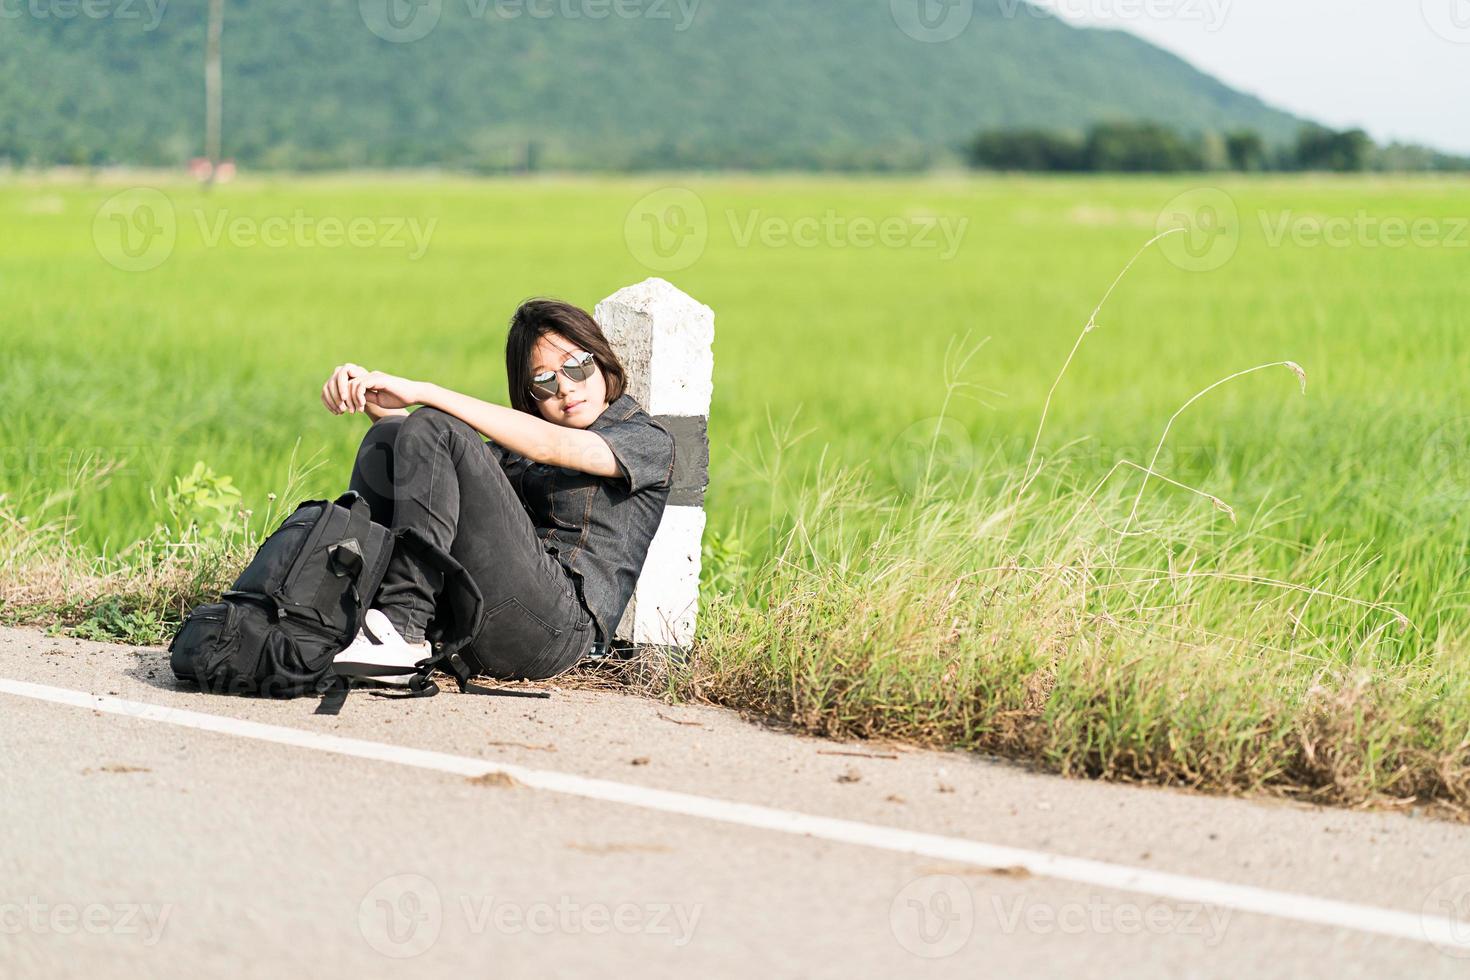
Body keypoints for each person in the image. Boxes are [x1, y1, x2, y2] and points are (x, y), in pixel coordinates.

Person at [319, 298, 676, 686]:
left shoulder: (645, 440)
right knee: (389, 437)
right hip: (481, 617)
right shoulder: (519, 446)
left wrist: (423, 391)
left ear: (602, 360)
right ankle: (337, 613)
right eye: (544, 380)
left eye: (577, 365)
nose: (566, 388)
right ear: (529, 393)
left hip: (555, 631)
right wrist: (367, 396)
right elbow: (432, 459)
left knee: (432, 425)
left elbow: (550, 446)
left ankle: (403, 630)